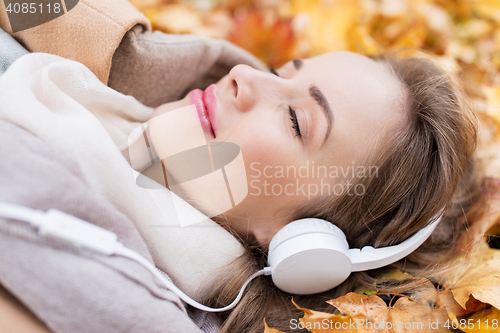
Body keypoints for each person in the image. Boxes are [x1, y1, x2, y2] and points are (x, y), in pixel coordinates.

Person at [0, 2, 484, 333]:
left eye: (296, 120)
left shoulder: (113, 301)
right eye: (280, 72)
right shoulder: (84, 71)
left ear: (303, 245)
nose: (243, 76)